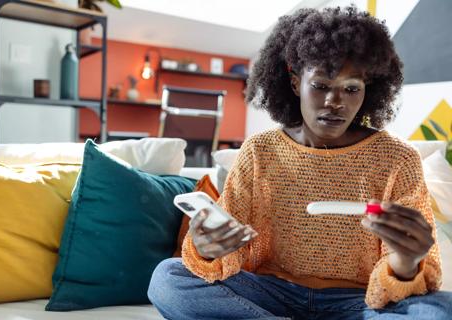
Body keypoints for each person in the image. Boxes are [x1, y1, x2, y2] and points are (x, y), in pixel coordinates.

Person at [147, 6, 452, 320]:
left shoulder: (398, 159)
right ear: (295, 82)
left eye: (351, 89)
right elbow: (231, 250)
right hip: (269, 293)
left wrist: (405, 262)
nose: (336, 103)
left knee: (440, 310)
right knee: (168, 278)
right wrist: (208, 249)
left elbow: (414, 280)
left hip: (357, 303)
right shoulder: (260, 150)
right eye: (321, 86)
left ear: (368, 90)